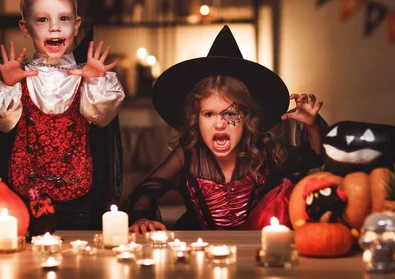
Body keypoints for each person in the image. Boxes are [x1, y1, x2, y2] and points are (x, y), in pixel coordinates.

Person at [125, 25, 327, 234]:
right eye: (209, 114)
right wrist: (142, 219)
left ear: (247, 117)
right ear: (196, 118)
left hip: (256, 249)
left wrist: (311, 126)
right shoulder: (189, 155)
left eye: (230, 114)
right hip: (202, 251)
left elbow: (317, 159)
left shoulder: (264, 150)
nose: (219, 124)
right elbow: (146, 191)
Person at [0, 0, 125, 234]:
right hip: (26, 198)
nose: (54, 28)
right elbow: (1, 121)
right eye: (42, 20)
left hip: (80, 199)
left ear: (76, 25)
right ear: (26, 29)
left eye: (63, 19)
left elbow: (103, 116)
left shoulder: (88, 79)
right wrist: (6, 83)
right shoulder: (18, 79)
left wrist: (94, 80)